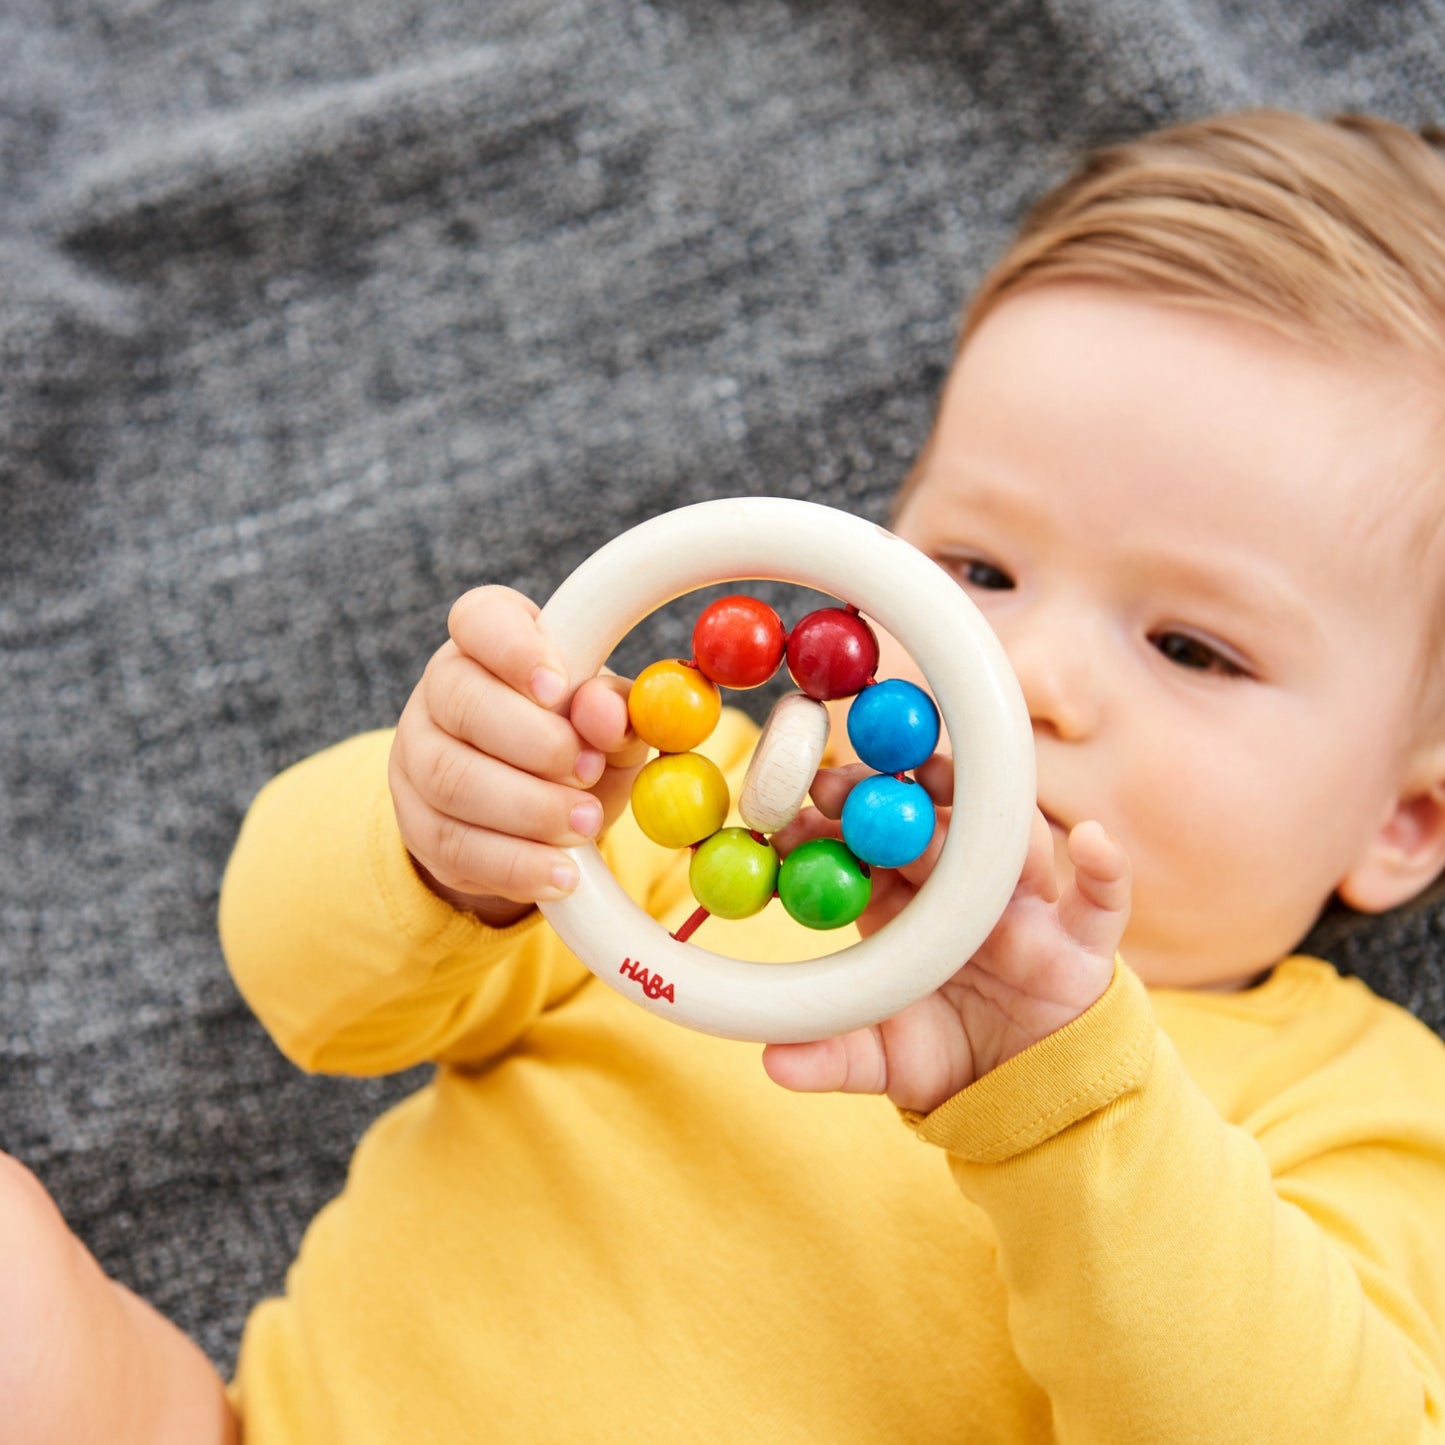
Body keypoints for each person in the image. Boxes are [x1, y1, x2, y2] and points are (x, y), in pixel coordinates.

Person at [5, 106, 1445, 1443]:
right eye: (976, 570)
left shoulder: (1349, 1100)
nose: (1023, 675)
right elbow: (301, 983)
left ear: (1403, 816)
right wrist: (444, 837)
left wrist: (1062, 1095)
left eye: (1191, 646)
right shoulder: (674, 821)